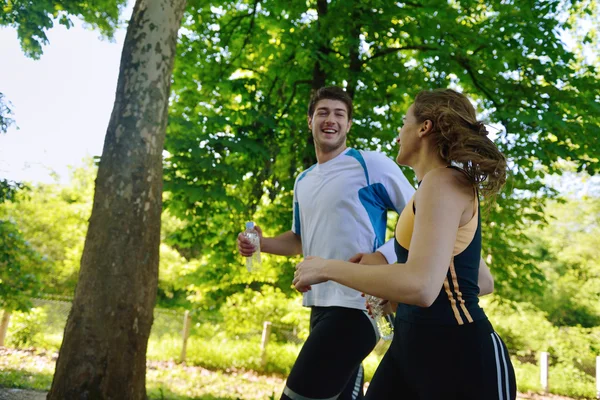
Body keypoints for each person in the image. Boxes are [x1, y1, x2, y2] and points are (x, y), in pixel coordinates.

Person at [293, 88, 516, 400]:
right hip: (410, 350)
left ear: (424, 128)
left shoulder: (445, 183)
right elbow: (478, 279)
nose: (398, 135)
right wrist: (393, 294)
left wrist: (327, 268)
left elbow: (423, 286)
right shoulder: (426, 192)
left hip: (460, 357)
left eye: (403, 123)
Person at [237, 86, 415, 400]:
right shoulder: (302, 180)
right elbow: (298, 241)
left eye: (339, 114)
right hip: (317, 306)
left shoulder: (370, 164)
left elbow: (420, 215)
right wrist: (261, 243)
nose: (330, 119)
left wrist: (383, 255)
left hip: (358, 306)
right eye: (322, 112)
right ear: (310, 121)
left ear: (348, 124)